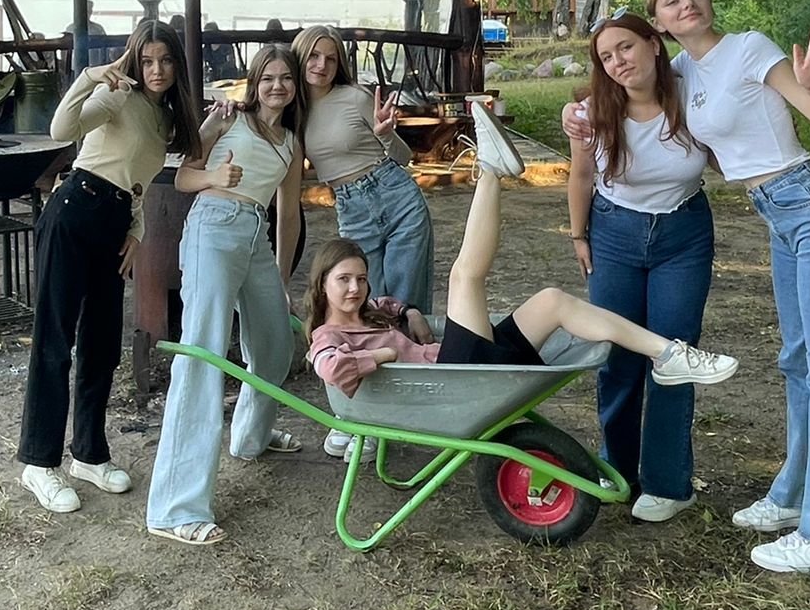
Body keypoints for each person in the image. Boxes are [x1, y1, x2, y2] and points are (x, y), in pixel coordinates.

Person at [565, 0, 810, 574]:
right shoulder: (682, 70)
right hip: (779, 215)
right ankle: (794, 494)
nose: (687, 5)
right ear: (659, 24)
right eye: (671, 0)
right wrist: (575, 115)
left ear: (708, 3)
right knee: (799, 362)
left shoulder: (750, 47)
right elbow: (615, 89)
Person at [307, 102, 737, 401]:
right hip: (449, 382)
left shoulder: (372, 310)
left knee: (553, 300)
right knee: (463, 277)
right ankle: (490, 170)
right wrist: (383, 354)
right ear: (321, 286)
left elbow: (391, 305)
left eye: (360, 278)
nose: (356, 288)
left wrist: (410, 313)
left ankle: (668, 354)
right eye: (343, 280)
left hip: (467, 369)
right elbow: (333, 370)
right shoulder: (327, 338)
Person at [17, 20, 203, 514]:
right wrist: (90, 76)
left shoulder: (165, 118)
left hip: (115, 225)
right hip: (75, 211)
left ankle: (89, 454)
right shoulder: (118, 96)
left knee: (101, 345)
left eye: (166, 60)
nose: (157, 70)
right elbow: (61, 130)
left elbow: (136, 182)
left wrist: (137, 232)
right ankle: (38, 463)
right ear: (134, 61)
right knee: (56, 340)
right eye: (148, 60)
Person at [146, 45, 307, 545]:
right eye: (268, 78)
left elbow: (288, 213)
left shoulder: (290, 142)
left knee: (275, 345)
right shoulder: (227, 119)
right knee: (203, 355)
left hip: (255, 235)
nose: (277, 86)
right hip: (213, 227)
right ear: (254, 83)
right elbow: (183, 177)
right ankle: (175, 508)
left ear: (295, 86)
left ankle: (250, 437)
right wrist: (216, 176)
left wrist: (282, 278)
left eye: (285, 78)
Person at [566, 13, 715, 523]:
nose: (618, 62)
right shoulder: (591, 113)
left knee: (674, 356)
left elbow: (732, 140)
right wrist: (579, 235)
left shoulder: (693, 96)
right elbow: (581, 175)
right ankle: (617, 469)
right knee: (617, 355)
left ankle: (668, 483)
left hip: (684, 234)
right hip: (614, 234)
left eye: (625, 47)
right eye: (606, 57)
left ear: (653, 44)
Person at [291, 23, 437, 462]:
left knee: (404, 302)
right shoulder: (293, 111)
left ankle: (397, 417)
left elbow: (403, 157)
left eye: (330, 58)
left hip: (395, 192)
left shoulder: (354, 97)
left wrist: (387, 133)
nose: (321, 65)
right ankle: (363, 418)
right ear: (300, 57)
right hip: (352, 208)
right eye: (314, 56)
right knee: (358, 309)